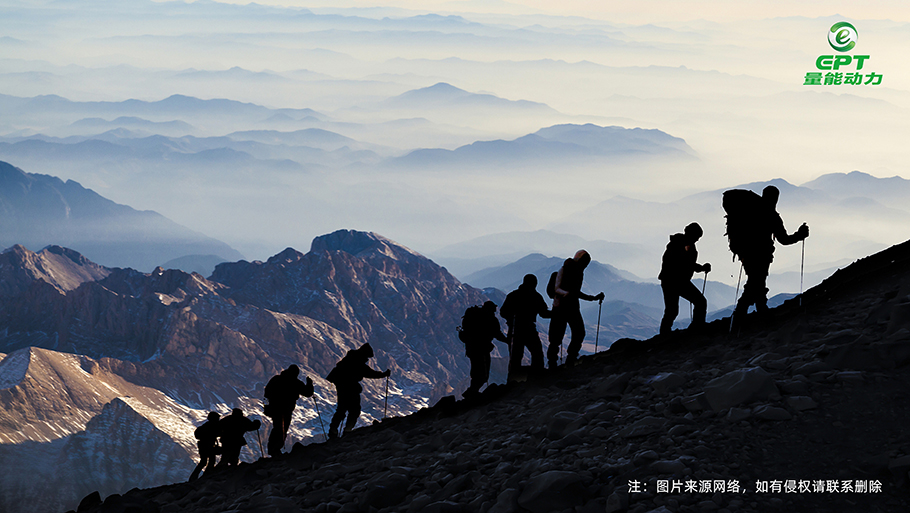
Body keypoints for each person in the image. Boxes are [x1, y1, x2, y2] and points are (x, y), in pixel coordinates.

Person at [725, 185, 809, 318]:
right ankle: (745, 311)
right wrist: (799, 235)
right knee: (756, 281)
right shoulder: (772, 216)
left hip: (746, 254)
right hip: (762, 255)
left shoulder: (751, 210)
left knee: (756, 281)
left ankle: (755, 309)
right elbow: (784, 239)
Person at [547, 250, 605, 369]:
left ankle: (553, 363)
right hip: (570, 307)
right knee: (578, 333)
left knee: (556, 337)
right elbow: (575, 292)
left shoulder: (567, 270)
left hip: (559, 308)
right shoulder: (575, 272)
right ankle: (570, 359)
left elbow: (570, 291)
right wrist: (592, 298)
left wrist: (592, 298)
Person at [326, 343, 390, 438]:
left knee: (342, 409)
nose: (367, 359)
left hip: (342, 387)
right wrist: (383, 374)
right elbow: (369, 373)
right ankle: (347, 431)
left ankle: (333, 431)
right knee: (354, 410)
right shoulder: (357, 362)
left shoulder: (350, 359)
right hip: (350, 388)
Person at [658, 222, 711, 335]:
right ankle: (697, 326)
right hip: (675, 281)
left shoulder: (681, 244)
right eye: (697, 237)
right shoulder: (680, 245)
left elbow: (687, 263)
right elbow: (686, 263)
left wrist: (700, 268)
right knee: (699, 302)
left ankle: (664, 333)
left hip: (672, 281)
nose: (697, 240)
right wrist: (701, 268)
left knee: (672, 310)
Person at [499, 274, 550, 380]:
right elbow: (544, 313)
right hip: (529, 328)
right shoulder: (536, 296)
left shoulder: (513, 295)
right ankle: (537, 376)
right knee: (537, 353)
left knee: (515, 356)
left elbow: (503, 312)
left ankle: (514, 380)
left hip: (515, 329)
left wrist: (511, 317)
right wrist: (557, 313)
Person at [458, 301, 509, 397]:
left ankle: (472, 392)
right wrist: (507, 341)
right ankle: (472, 392)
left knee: (476, 370)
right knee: (483, 373)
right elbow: (497, 334)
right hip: (482, 349)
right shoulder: (491, 319)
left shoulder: (474, 315)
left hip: (471, 348)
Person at [263, 364, 314, 456]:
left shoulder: (276, 379)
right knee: (282, 429)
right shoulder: (296, 383)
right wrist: (309, 384)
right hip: (286, 410)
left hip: (275, 409)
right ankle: (275, 449)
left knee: (277, 428)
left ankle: (273, 449)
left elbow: (266, 394)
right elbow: (308, 393)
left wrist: (266, 407)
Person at [189, 411, 221, 481]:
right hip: (209, 446)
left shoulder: (205, 426)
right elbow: (218, 433)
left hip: (202, 446)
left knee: (203, 461)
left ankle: (193, 478)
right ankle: (206, 475)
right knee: (211, 460)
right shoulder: (212, 426)